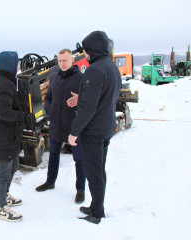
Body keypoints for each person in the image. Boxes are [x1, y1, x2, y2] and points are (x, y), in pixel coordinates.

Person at [67, 31, 121, 224]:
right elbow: (105, 97)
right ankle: (96, 205)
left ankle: (97, 213)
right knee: (99, 170)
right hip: (106, 127)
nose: (85, 55)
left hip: (94, 131)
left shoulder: (95, 70)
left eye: (87, 51)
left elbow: (88, 108)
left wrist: (74, 132)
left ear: (93, 50)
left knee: (94, 172)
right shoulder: (111, 67)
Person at [35, 49, 86, 204]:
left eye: (65, 60)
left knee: (79, 159)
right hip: (56, 124)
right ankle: (50, 182)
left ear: (72, 60)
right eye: (60, 60)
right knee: (53, 154)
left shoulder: (81, 79)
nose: (62, 63)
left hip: (74, 126)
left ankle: (80, 189)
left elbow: (89, 102)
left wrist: (80, 101)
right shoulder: (54, 77)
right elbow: (48, 97)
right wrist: (49, 109)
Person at [0, 51, 24, 222]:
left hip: (8, 136)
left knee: (14, 164)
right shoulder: (4, 84)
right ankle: (2, 207)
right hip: (4, 136)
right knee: (4, 172)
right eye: (16, 63)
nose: (18, 66)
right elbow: (4, 113)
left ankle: (6, 194)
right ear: (10, 64)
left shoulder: (4, 80)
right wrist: (22, 115)